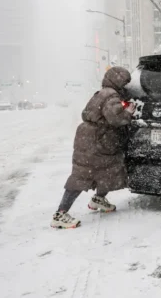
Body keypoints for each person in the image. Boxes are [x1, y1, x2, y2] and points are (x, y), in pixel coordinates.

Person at [51, 67, 135, 229]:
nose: (126, 86)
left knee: (109, 171)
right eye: (124, 83)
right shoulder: (110, 95)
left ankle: (98, 199)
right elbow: (116, 118)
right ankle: (60, 214)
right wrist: (128, 112)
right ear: (117, 81)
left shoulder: (105, 92)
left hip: (96, 139)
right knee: (82, 176)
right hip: (96, 141)